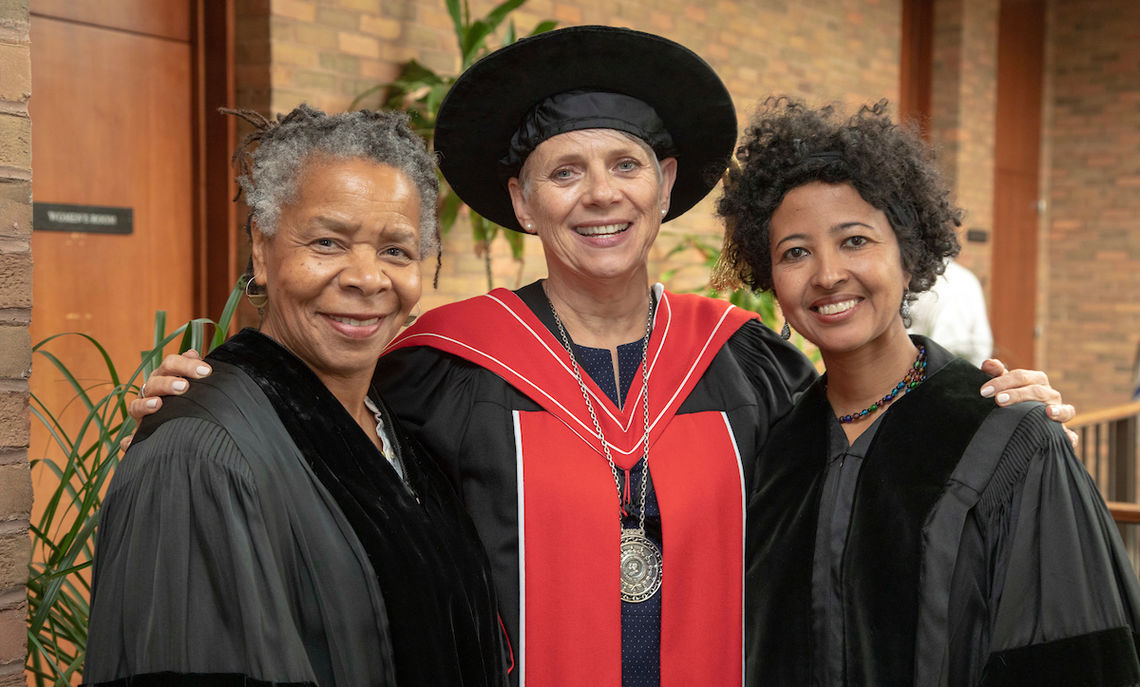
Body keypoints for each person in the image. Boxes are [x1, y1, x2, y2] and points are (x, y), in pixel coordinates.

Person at [133, 28, 1074, 687]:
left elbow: (869, 468)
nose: (599, 196)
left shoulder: (749, 364)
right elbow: (322, 448)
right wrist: (215, 397)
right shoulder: (437, 368)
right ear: (522, 197)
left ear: (665, 186)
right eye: (563, 171)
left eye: (624, 165)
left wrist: (982, 408)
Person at [717, 96, 1140, 686]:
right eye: (795, 252)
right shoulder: (774, 454)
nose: (828, 273)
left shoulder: (1007, 437)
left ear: (909, 256)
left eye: (856, 240)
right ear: (772, 281)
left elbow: (1077, 659)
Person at [83, 106, 507, 687]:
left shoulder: (399, 425)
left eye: (396, 251)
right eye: (329, 242)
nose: (367, 278)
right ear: (263, 248)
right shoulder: (201, 455)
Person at [907, 257, 994, 366]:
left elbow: (908, 330)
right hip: (963, 365)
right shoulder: (969, 279)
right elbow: (982, 340)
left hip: (924, 367)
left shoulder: (918, 280)